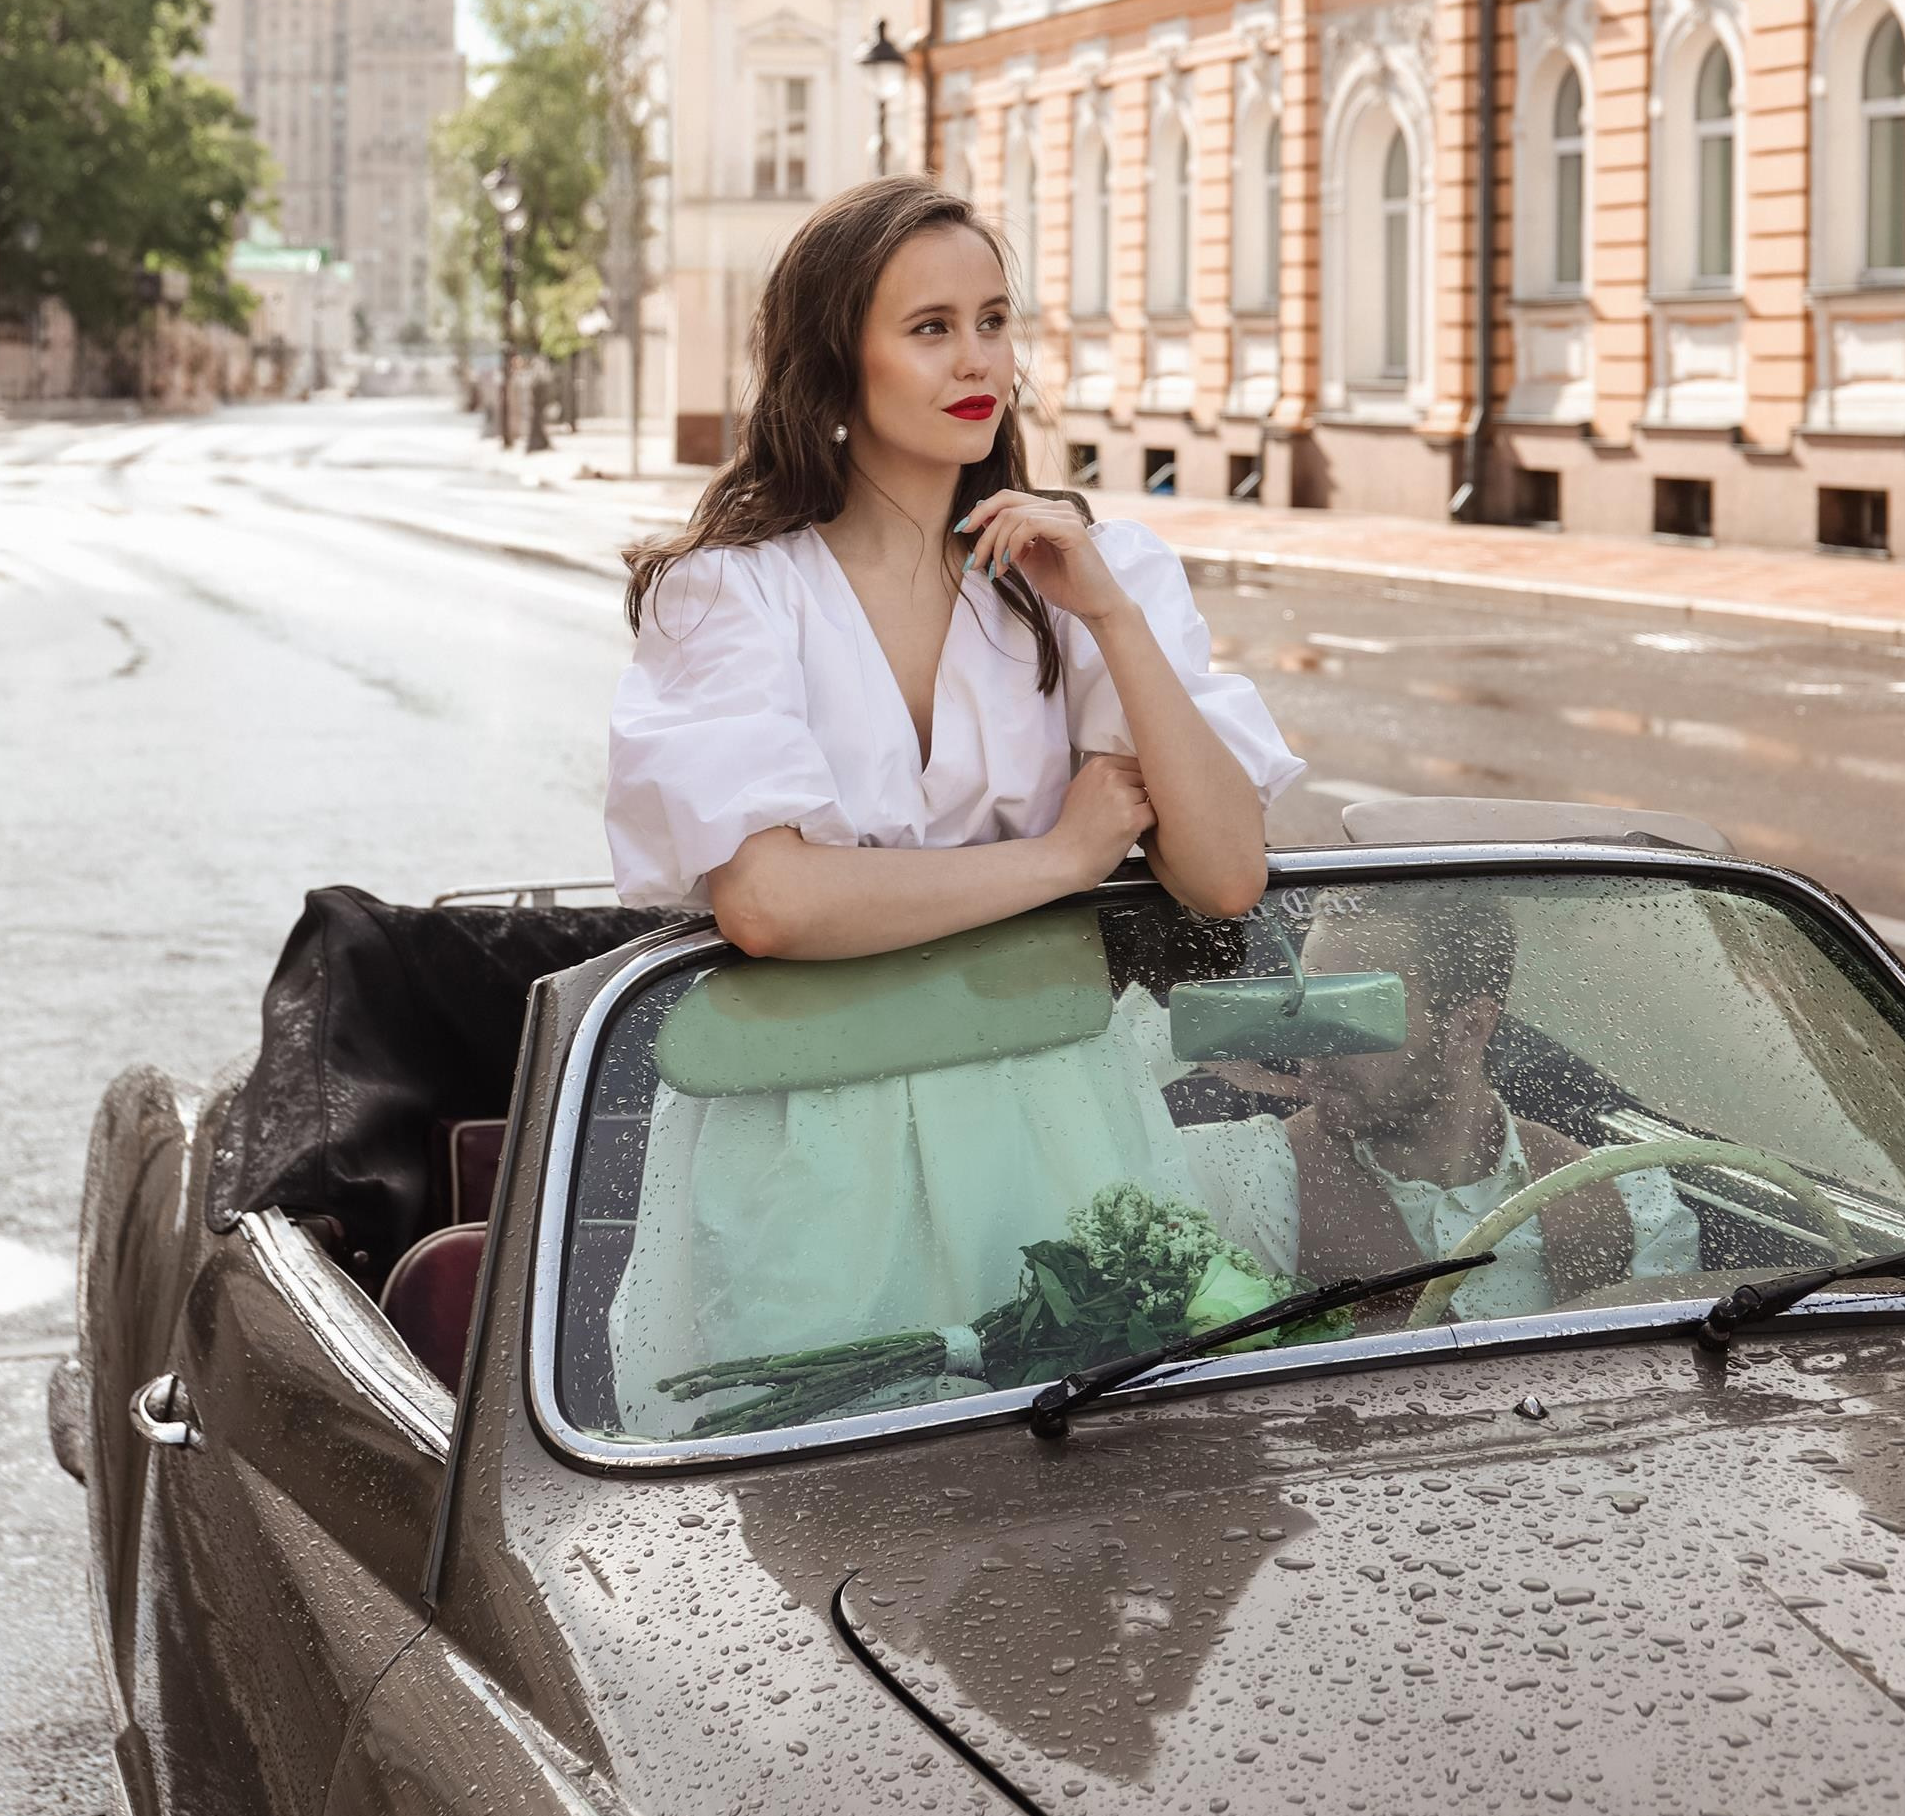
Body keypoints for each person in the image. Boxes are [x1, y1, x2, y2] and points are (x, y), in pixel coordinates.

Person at [605, 174, 1302, 947]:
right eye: (931, 328)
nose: (978, 361)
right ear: (836, 367)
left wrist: (1112, 617)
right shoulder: (733, 594)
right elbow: (768, 903)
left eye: (993, 321)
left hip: (1057, 1062)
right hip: (819, 1063)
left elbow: (1227, 875)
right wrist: (1061, 858)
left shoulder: (1090, 577)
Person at [1162, 890, 1703, 1323]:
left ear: (1470, 1026)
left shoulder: (1631, 1198)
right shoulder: (1240, 1174)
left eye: (1356, 1014)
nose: (1315, 1047)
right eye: (1310, 1007)